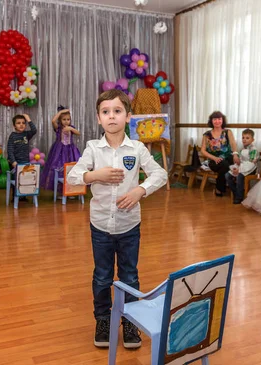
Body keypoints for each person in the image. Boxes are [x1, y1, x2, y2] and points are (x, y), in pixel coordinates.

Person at [67, 89, 168, 348]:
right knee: (102, 276)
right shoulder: (92, 148)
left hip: (129, 226)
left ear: (128, 116)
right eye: (105, 112)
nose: (111, 116)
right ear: (99, 118)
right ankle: (103, 320)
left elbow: (160, 174)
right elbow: (73, 176)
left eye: (117, 111)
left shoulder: (137, 148)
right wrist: (94, 176)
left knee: (129, 276)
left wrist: (140, 190)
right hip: (100, 226)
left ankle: (130, 321)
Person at [41, 106, 82, 190]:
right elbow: (53, 121)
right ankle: (60, 190)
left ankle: (71, 189)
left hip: (70, 151)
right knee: (59, 169)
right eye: (64, 119)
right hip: (59, 151)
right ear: (60, 120)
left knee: (71, 168)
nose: (66, 121)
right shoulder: (58, 128)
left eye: (68, 119)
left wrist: (71, 128)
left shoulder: (71, 128)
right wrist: (61, 112)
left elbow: (78, 133)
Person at [200, 111, 240, 196]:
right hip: (214, 160)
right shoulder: (206, 135)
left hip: (228, 157)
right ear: (211, 121)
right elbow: (203, 150)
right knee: (225, 165)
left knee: (230, 163)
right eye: (215, 119)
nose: (217, 121)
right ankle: (225, 188)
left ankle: (220, 188)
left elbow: (233, 144)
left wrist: (235, 154)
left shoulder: (227, 132)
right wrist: (214, 158)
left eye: (219, 119)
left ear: (222, 120)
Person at [225, 128, 259, 204]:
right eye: (243, 137)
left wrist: (239, 170)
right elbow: (240, 161)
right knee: (227, 175)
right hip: (242, 167)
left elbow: (251, 164)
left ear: (252, 139)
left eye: (247, 138)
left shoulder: (253, 150)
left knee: (239, 176)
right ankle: (236, 192)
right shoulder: (242, 149)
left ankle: (239, 197)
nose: (244, 140)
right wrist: (235, 166)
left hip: (251, 169)